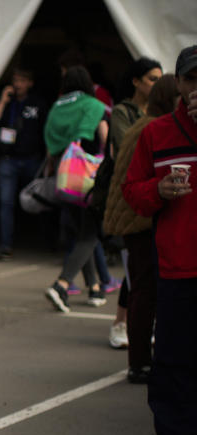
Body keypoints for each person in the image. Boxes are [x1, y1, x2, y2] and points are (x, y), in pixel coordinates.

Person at [122, 45, 197, 435]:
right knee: (174, 363)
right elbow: (133, 191)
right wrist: (158, 192)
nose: (196, 89)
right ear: (179, 85)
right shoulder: (157, 133)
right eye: (191, 79)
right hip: (177, 266)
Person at [103, 75, 178, 383]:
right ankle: (141, 362)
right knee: (144, 293)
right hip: (142, 220)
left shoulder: (143, 125)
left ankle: (142, 360)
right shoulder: (155, 129)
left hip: (136, 219)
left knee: (140, 290)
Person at [104, 57, 163, 352]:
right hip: (130, 200)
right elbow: (127, 150)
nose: (156, 84)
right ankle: (120, 322)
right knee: (137, 269)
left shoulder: (157, 115)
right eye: (151, 78)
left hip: (153, 200)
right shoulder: (124, 113)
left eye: (159, 79)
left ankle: (136, 325)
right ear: (136, 82)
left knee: (145, 271)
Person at [43, 66, 110, 312]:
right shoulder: (93, 105)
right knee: (90, 233)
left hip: (65, 178)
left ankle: (94, 288)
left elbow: (49, 144)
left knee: (80, 232)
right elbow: (103, 135)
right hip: (88, 176)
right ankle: (61, 284)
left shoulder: (57, 107)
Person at [0, 67, 47, 260]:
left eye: (22, 80)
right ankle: (6, 244)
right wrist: (3, 101)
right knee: (6, 202)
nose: (18, 84)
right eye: (15, 80)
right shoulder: (7, 102)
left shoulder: (37, 104)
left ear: (30, 83)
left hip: (31, 158)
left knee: (38, 200)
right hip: (8, 159)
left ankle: (45, 241)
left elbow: (45, 130)